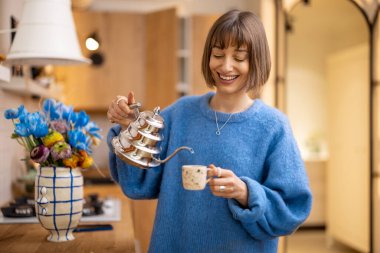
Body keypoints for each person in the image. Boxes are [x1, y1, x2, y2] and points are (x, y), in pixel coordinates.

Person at [107, 9, 312, 253]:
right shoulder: (179, 113)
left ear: (256, 61)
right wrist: (129, 128)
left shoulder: (274, 127)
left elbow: (293, 208)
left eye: (239, 57)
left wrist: (246, 193)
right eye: (218, 54)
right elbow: (139, 184)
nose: (226, 66)